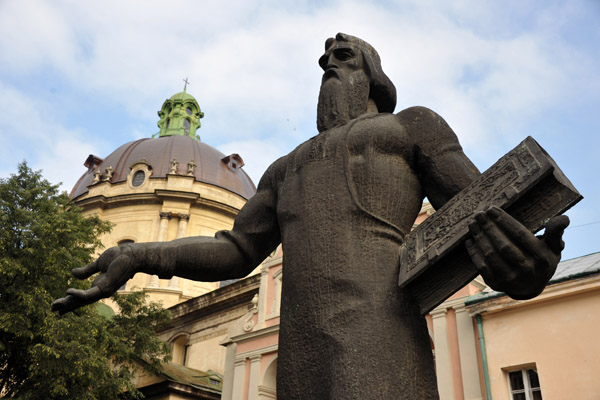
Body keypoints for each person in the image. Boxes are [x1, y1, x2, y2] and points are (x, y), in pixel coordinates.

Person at [54, 33, 568, 399]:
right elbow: (237, 250)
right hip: (298, 353)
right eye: (323, 60)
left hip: (381, 334)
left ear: (374, 77)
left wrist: (526, 265)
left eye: (343, 56)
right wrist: (138, 255)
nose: (328, 64)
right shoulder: (282, 169)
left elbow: (485, 209)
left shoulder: (411, 127)